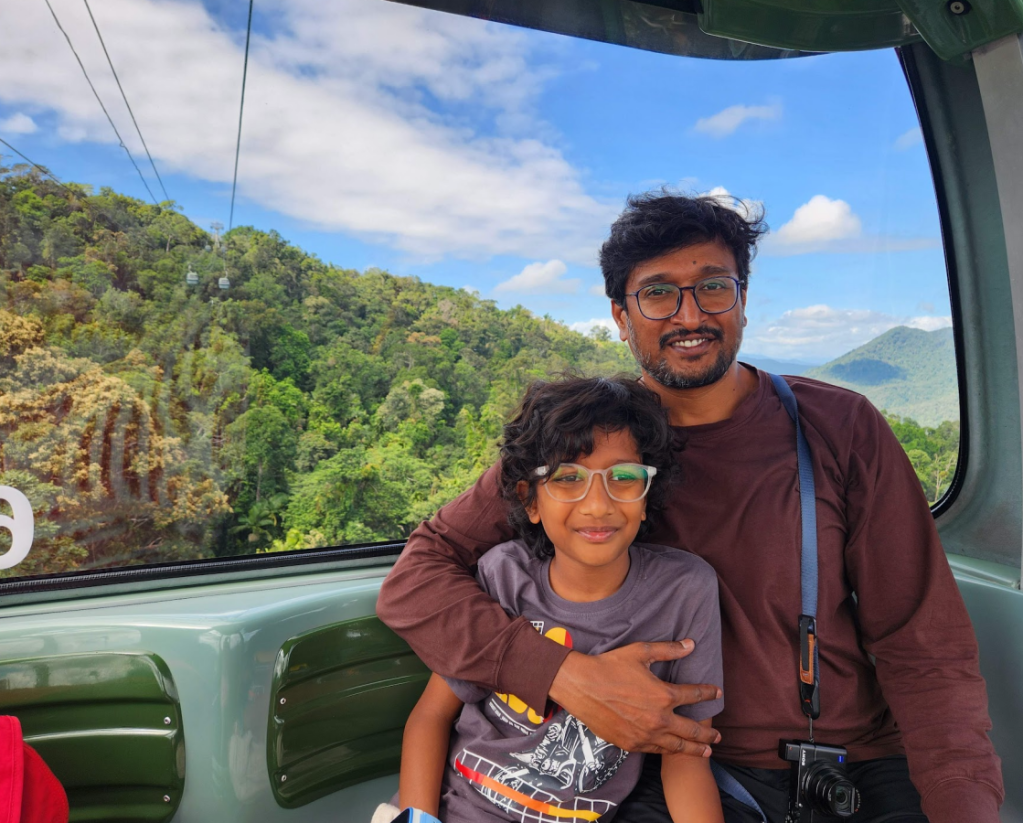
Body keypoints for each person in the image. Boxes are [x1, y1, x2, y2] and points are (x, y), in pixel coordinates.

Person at [377, 192, 1003, 823]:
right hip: (682, 765)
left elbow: (924, 647)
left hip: (853, 762)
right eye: (657, 293)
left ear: (744, 301)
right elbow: (416, 578)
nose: (689, 315)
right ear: (621, 316)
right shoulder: (587, 448)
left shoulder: (840, 428)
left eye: (712, 287)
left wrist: (961, 799)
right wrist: (562, 675)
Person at [383, 376, 725, 823]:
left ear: (647, 496)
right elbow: (430, 716)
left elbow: (686, 753)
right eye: (567, 478)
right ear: (531, 501)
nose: (598, 504)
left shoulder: (685, 592)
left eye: (623, 477)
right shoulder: (502, 575)